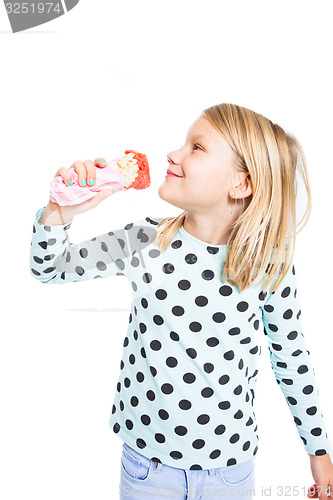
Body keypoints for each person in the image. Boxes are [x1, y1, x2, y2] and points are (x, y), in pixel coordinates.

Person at [30, 103, 333, 499]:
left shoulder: (268, 264)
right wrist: (60, 211)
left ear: (241, 184)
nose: (173, 154)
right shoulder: (145, 240)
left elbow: (290, 357)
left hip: (229, 472)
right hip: (147, 469)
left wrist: (318, 448)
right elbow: (50, 268)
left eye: (197, 147)